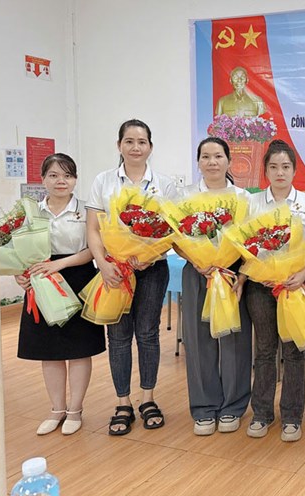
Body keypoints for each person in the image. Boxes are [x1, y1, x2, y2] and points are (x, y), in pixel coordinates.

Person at [86, 119, 178, 436]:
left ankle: (147, 399)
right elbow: (93, 228)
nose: (135, 147)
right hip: (114, 270)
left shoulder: (165, 184)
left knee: (148, 334)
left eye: (141, 141)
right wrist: (103, 262)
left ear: (150, 147)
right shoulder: (104, 181)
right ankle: (123, 403)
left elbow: (172, 231)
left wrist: (150, 254)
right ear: (119, 145)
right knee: (118, 336)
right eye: (129, 141)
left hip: (152, 270)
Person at [237, 139, 305, 442]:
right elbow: (244, 246)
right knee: (264, 350)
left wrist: (302, 275)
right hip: (260, 287)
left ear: (294, 170)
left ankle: (292, 416)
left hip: (296, 286)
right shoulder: (252, 203)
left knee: (294, 350)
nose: (280, 172)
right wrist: (253, 274)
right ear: (265, 171)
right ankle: (261, 413)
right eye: (273, 167)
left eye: (285, 166)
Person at [15, 153, 105, 436]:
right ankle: (56, 409)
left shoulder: (86, 211)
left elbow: (94, 250)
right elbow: (17, 250)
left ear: (75, 179)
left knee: (79, 349)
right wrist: (20, 274)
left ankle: (75, 410)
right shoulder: (31, 212)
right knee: (49, 350)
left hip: (77, 278)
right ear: (43, 179)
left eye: (67, 175)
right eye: (53, 175)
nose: (60, 181)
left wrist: (60, 264)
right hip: (42, 282)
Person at [179, 137, 252, 436]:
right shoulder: (185, 196)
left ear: (228, 161)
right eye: (206, 156)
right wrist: (196, 261)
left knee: (234, 338)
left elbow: (250, 240)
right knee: (198, 340)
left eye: (218, 156)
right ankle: (204, 408)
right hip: (198, 271)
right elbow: (175, 238)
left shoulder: (243, 198)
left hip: (232, 273)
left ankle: (233, 405)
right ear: (198, 162)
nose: (212, 162)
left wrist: (240, 275)